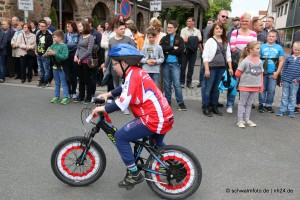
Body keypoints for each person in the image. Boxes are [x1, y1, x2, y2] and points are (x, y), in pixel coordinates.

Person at [91, 43, 174, 188]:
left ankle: (134, 174)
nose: (113, 68)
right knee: (156, 145)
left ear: (123, 63)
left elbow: (122, 104)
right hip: (164, 116)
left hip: (154, 119)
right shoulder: (136, 72)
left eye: (114, 64)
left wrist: (102, 109)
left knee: (120, 137)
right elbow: (124, 88)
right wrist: (108, 94)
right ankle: (175, 165)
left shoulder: (133, 75)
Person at [228, 12, 257, 114]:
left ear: (249, 22)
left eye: (246, 21)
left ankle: (242, 105)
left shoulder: (253, 34)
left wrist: (246, 57)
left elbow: (253, 48)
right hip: (236, 62)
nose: (244, 22)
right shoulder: (235, 32)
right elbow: (232, 47)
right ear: (240, 21)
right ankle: (230, 104)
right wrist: (242, 55)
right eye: (243, 20)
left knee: (245, 85)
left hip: (248, 63)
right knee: (234, 83)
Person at [201, 22, 232, 117]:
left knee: (216, 89)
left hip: (221, 68)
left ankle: (214, 106)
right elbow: (205, 56)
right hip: (211, 68)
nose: (219, 30)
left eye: (221, 29)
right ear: (213, 30)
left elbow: (228, 55)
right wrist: (207, 69)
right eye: (217, 28)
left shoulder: (225, 41)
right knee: (208, 88)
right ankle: (206, 106)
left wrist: (230, 67)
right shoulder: (210, 41)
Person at [160, 20, 187, 111]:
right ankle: (167, 101)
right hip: (166, 64)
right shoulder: (164, 38)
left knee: (177, 84)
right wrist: (172, 48)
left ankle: (181, 102)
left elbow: (181, 50)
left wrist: (168, 50)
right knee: (167, 84)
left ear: (175, 28)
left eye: (171, 27)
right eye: (168, 27)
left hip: (175, 64)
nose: (169, 29)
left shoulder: (179, 39)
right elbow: (161, 47)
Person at [235, 41, 264, 128]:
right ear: (251, 50)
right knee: (242, 103)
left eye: (259, 48)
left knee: (249, 104)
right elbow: (237, 73)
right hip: (245, 86)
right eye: (257, 48)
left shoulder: (259, 61)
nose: (259, 50)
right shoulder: (245, 61)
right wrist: (246, 76)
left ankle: (247, 119)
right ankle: (240, 120)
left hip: (255, 87)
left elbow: (261, 74)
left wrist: (261, 86)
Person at [258, 30, 285, 113]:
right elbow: (257, 59)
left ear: (276, 38)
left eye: (273, 36)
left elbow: (281, 61)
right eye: (270, 36)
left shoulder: (279, 48)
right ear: (267, 37)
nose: (271, 38)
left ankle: (268, 105)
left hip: (273, 72)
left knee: (271, 89)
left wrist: (277, 72)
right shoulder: (262, 47)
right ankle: (261, 104)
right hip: (262, 72)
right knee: (262, 88)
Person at [276, 41, 300, 118]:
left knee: (292, 96)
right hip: (286, 80)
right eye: (295, 49)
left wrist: (298, 79)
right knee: (284, 95)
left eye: (299, 50)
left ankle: (291, 110)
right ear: (292, 49)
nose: (297, 51)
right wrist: (282, 80)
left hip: (295, 82)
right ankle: (282, 109)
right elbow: (284, 69)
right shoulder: (288, 58)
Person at [74, 21, 95, 104]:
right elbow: (78, 47)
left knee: (87, 80)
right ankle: (81, 95)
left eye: (80, 26)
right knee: (81, 79)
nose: (78, 28)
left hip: (86, 61)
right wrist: (76, 56)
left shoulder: (91, 37)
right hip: (79, 60)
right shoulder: (81, 36)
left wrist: (80, 58)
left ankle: (88, 96)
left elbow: (89, 51)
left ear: (85, 27)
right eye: (78, 27)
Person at [46, 30, 69, 104]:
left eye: (54, 37)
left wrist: (55, 54)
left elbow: (65, 57)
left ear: (60, 37)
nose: (53, 39)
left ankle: (66, 97)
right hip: (55, 67)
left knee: (64, 82)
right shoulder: (54, 45)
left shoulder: (64, 46)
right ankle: (56, 96)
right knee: (57, 82)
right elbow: (48, 54)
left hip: (61, 67)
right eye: (53, 37)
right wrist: (47, 53)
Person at [180, 17, 202, 89]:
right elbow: (184, 40)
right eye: (187, 21)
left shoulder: (197, 31)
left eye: (189, 21)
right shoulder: (183, 30)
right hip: (185, 50)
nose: (188, 22)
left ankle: (189, 82)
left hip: (193, 51)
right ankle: (182, 82)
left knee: (191, 68)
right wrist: (194, 38)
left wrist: (189, 38)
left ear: (193, 22)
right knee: (183, 67)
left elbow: (200, 39)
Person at [64, 21, 79, 99]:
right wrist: (72, 46)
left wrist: (69, 46)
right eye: (66, 26)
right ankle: (69, 91)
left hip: (75, 57)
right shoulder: (66, 35)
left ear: (73, 27)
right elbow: (64, 45)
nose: (67, 28)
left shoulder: (78, 35)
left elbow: (78, 46)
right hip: (67, 56)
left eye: (69, 26)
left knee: (74, 75)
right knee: (67, 76)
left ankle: (73, 91)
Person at [197, 19, 214, 88]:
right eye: (207, 23)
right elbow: (200, 42)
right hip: (204, 52)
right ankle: (201, 81)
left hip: (212, 54)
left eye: (210, 23)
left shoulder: (214, 32)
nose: (208, 24)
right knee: (202, 68)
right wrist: (202, 51)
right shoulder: (203, 31)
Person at [36, 19, 53, 87]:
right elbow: (36, 43)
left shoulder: (49, 35)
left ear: (46, 27)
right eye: (40, 26)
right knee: (40, 69)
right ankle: (41, 80)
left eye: (43, 26)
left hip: (45, 55)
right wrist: (35, 51)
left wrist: (45, 54)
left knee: (46, 69)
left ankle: (46, 81)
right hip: (39, 54)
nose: (41, 27)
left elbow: (50, 46)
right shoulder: (38, 33)